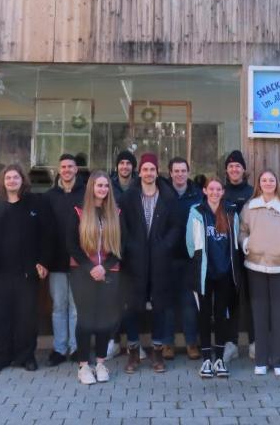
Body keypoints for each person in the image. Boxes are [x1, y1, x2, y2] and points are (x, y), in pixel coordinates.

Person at [0, 164, 51, 373]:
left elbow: (47, 236)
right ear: (3, 181)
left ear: (22, 181)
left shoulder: (34, 204)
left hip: (26, 273)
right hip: (0, 273)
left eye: (15, 177)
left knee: (26, 318)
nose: (12, 181)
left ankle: (26, 357)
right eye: (8, 178)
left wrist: (43, 261)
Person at [239, 169, 280, 376]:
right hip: (256, 266)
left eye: (271, 180)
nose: (268, 183)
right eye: (264, 180)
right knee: (259, 315)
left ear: (277, 183)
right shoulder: (249, 207)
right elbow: (241, 231)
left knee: (279, 316)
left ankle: (279, 361)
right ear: (259, 184)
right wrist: (247, 243)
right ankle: (260, 359)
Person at [120, 153, 180, 374]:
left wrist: (164, 246)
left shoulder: (168, 196)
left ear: (157, 172)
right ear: (140, 172)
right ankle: (133, 353)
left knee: (160, 308)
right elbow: (121, 226)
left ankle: (157, 353)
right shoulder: (128, 197)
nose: (148, 173)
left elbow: (176, 227)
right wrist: (130, 247)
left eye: (152, 169)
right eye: (145, 169)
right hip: (134, 262)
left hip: (160, 262)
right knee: (132, 308)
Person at [67, 171, 124, 385]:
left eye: (106, 186)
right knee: (86, 318)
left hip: (110, 272)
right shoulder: (77, 211)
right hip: (82, 272)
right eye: (99, 185)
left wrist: (105, 267)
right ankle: (83, 365)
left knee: (104, 319)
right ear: (91, 187)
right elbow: (71, 244)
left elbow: (121, 246)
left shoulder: (116, 213)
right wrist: (91, 267)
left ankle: (100, 363)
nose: (103, 189)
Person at [185, 177, 241, 378]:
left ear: (223, 192)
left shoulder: (231, 212)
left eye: (219, 189)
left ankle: (219, 359)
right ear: (205, 190)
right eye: (212, 189)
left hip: (225, 272)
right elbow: (190, 244)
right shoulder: (197, 211)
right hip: (204, 273)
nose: (215, 192)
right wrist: (200, 262)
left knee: (221, 316)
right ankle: (206, 359)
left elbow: (235, 242)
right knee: (204, 315)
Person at [43, 154, 84, 366]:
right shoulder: (50, 196)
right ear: (59, 170)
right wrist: (43, 260)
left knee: (76, 307)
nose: (67, 170)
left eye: (70, 166)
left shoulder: (86, 194)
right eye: (63, 167)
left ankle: (77, 348)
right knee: (59, 306)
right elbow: (44, 230)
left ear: (76, 169)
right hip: (56, 260)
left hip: (79, 261)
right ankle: (60, 349)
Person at [163, 157, 203, 361]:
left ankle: (191, 343)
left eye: (183, 170)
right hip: (167, 258)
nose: (179, 174)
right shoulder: (163, 194)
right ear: (170, 173)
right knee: (168, 303)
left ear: (188, 172)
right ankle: (167, 343)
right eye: (175, 171)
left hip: (190, 258)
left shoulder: (197, 195)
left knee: (189, 303)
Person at [221, 150, 254, 362]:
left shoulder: (253, 192)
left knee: (252, 299)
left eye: (238, 166)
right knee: (229, 300)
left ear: (244, 169)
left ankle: (254, 343)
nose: (234, 169)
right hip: (226, 255)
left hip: (250, 253)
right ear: (226, 170)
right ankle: (230, 343)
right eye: (231, 166)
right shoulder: (220, 192)